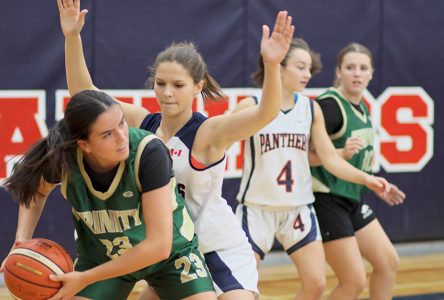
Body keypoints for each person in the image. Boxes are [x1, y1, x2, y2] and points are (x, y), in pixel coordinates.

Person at [58, 0, 295, 298]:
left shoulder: (207, 132)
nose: (167, 92)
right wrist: (72, 37)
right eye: (160, 83)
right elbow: (85, 94)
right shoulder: (141, 125)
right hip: (170, 251)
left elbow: (265, 114)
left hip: (213, 247)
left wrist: (272, 66)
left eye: (178, 85)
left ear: (197, 87)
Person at [1, 90, 217, 300]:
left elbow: (159, 246)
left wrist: (85, 278)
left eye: (122, 123)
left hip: (170, 256)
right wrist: (22, 238)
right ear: (84, 145)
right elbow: (37, 190)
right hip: (103, 257)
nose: (121, 137)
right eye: (107, 134)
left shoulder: (148, 152)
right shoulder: (66, 158)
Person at [233, 38, 402, 300]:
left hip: (299, 207)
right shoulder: (250, 105)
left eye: (309, 68)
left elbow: (329, 159)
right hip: (257, 208)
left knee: (316, 284)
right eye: (300, 67)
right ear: (279, 66)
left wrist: (368, 179)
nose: (307, 74)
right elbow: (215, 142)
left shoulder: (310, 108)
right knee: (242, 287)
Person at [310, 43, 406, 300]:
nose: (357, 73)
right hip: (326, 199)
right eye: (350, 68)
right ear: (339, 72)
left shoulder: (362, 108)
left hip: (352, 198)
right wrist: (339, 154)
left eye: (363, 68)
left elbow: (358, 163)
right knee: (353, 282)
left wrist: (375, 185)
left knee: (388, 262)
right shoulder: (330, 106)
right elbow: (303, 155)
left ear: (372, 73)